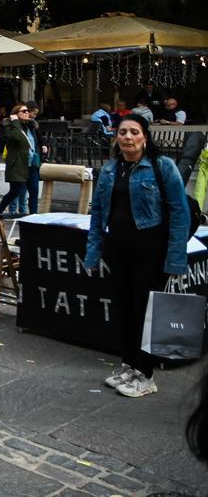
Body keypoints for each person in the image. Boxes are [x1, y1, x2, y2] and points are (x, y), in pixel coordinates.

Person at [84, 114, 189, 397]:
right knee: (124, 310)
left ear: (145, 136)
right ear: (116, 137)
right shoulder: (110, 170)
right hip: (118, 250)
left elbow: (180, 212)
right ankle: (129, 364)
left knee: (145, 312)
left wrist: (176, 258)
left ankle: (146, 374)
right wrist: (92, 254)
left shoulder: (161, 166)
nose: (128, 137)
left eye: (133, 132)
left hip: (150, 251)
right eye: (122, 132)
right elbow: (97, 214)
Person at [0, 103, 44, 219]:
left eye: (27, 111)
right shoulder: (9, 126)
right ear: (15, 114)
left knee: (34, 192)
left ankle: (33, 217)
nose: (27, 113)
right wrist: (15, 122)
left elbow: (35, 141)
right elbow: (16, 137)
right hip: (18, 165)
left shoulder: (30, 126)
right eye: (23, 111)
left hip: (32, 164)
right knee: (15, 192)